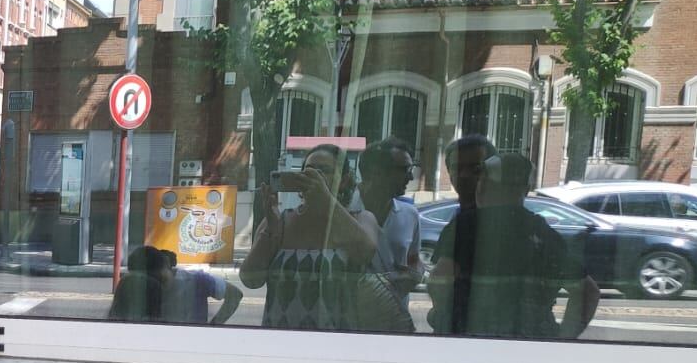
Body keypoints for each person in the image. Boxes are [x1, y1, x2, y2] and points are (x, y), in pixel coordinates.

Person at [428, 149, 598, 339]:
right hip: (531, 342)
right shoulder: (542, 232)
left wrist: (441, 314)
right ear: (525, 189)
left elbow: (440, 279)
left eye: (482, 180)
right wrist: (563, 338)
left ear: (485, 186)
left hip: (471, 339)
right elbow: (587, 292)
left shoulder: (465, 226)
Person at [239, 143, 382, 330]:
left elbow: (366, 252)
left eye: (324, 171)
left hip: (336, 342)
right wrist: (271, 231)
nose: (314, 176)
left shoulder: (362, 219)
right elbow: (250, 280)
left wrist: (325, 200)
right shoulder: (279, 221)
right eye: (309, 170)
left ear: (345, 180)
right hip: (281, 341)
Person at [108, 245, 242, 325]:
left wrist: (213, 326)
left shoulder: (196, 280)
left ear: (167, 267)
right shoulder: (134, 286)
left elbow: (235, 294)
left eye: (159, 279)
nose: (156, 285)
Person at [360, 139, 423, 295]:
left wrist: (415, 274)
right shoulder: (342, 209)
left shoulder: (410, 215)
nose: (410, 177)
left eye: (411, 169)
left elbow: (414, 260)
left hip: (394, 313)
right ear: (376, 171)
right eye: (404, 170)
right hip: (347, 314)